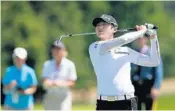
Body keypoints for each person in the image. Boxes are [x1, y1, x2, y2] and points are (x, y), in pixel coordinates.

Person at [89, 14, 161, 110]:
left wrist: (153, 37)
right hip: (103, 104)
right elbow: (123, 39)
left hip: (127, 103)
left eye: (104, 24)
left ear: (114, 29)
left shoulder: (126, 51)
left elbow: (154, 61)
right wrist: (142, 31)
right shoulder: (95, 47)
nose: (100, 27)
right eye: (97, 25)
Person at [42, 41, 77, 110]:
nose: (56, 51)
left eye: (58, 49)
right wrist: (48, 83)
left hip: (63, 97)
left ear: (64, 51)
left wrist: (60, 83)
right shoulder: (47, 64)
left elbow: (72, 83)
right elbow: (44, 81)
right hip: (50, 96)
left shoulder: (70, 64)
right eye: (54, 49)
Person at [131, 37, 163, 110]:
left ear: (146, 39)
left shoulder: (153, 53)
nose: (140, 40)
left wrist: (156, 87)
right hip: (135, 86)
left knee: (149, 108)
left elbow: (158, 72)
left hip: (148, 85)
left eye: (142, 38)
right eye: (138, 38)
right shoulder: (133, 53)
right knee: (134, 108)